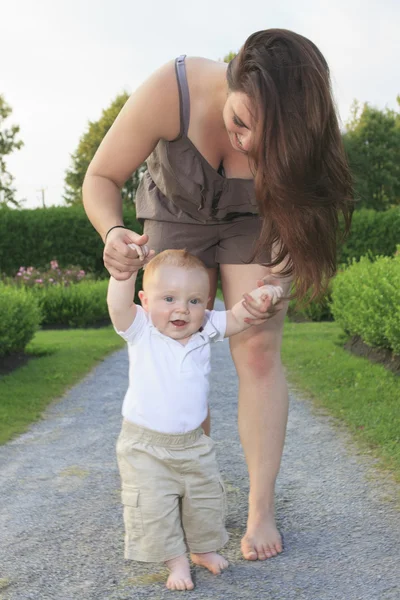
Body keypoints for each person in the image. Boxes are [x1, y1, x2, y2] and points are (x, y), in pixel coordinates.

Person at [83, 29, 353, 561]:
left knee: (255, 348)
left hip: (256, 220)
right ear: (232, 79)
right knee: (174, 344)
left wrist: (276, 286)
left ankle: (260, 509)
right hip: (174, 213)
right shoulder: (173, 88)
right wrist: (113, 233)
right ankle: (183, 497)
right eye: (240, 124)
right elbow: (101, 176)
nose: (247, 145)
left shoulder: (304, 127)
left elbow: (307, 224)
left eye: (264, 138)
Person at [108, 247, 283, 591]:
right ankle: (175, 561)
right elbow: (118, 306)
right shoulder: (141, 329)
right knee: (155, 506)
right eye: (169, 298)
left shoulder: (205, 327)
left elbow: (239, 317)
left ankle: (202, 549)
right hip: (145, 446)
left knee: (204, 499)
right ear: (145, 300)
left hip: (192, 443)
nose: (181, 309)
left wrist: (265, 296)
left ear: (206, 304)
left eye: (193, 301)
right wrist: (121, 275)